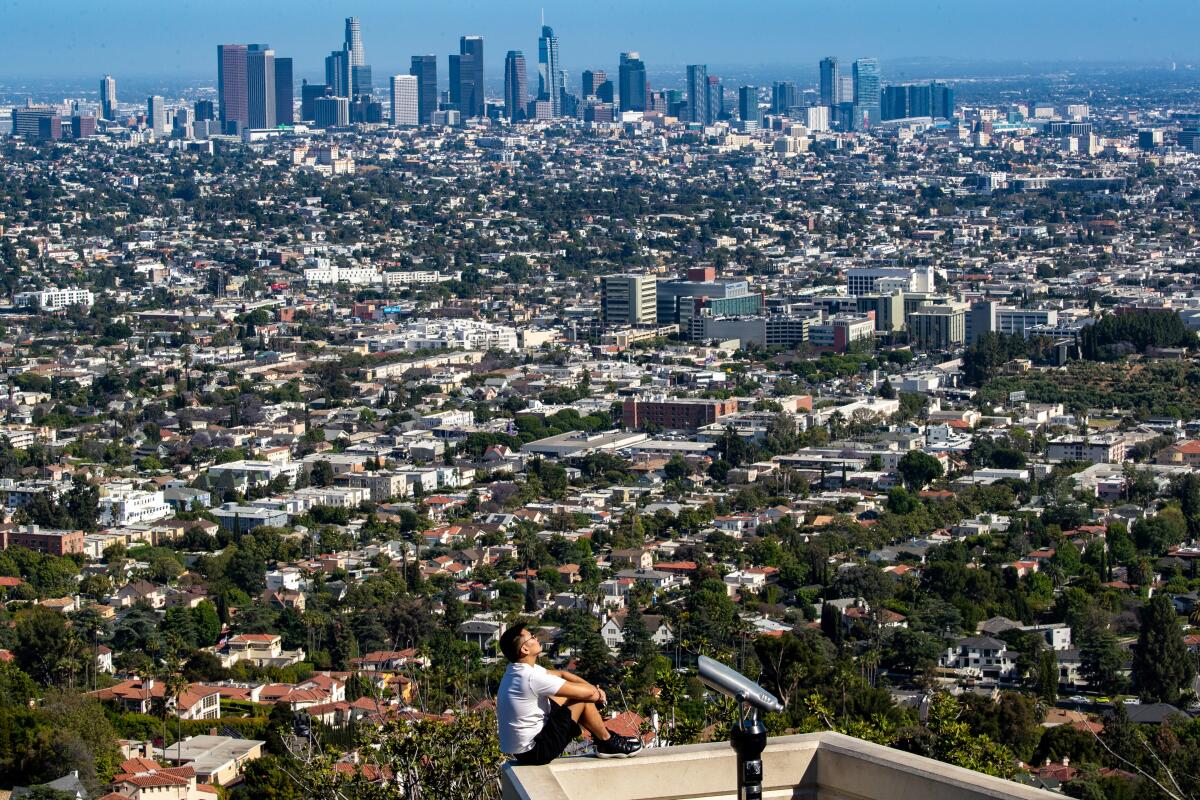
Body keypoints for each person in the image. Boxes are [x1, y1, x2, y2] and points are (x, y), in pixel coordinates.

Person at [497, 622, 643, 764]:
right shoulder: (531, 678)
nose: (536, 638)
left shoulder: (518, 670)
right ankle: (607, 741)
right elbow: (588, 695)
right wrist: (597, 694)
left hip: (523, 751)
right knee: (581, 699)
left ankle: (603, 736)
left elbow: (561, 674)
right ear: (525, 649)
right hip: (536, 751)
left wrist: (592, 689)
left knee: (571, 695)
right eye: (532, 637)